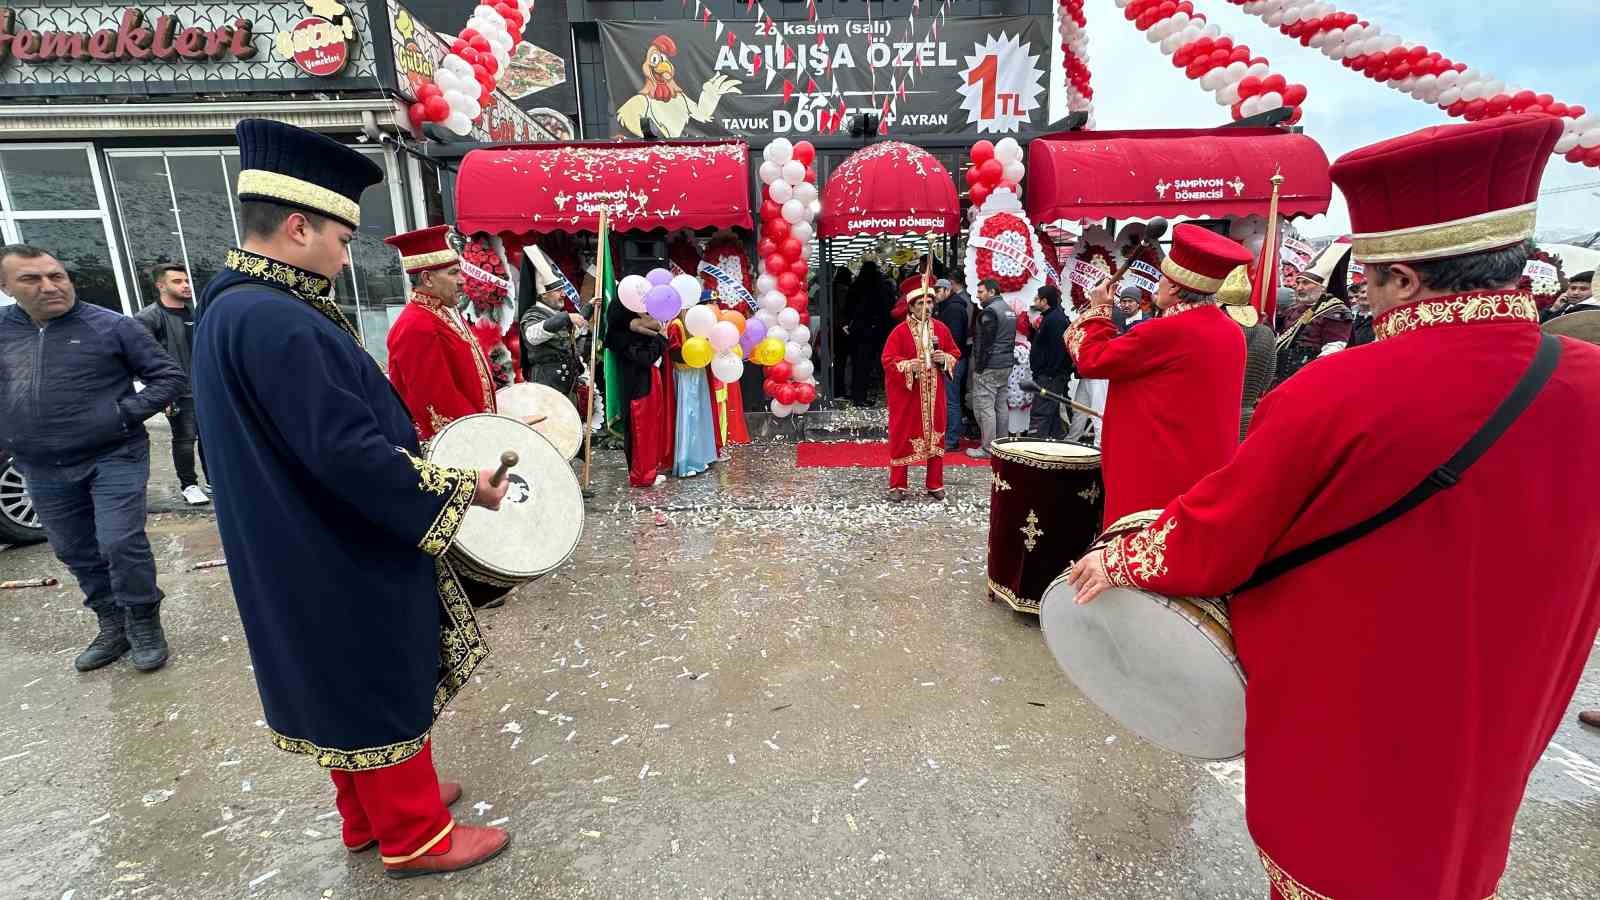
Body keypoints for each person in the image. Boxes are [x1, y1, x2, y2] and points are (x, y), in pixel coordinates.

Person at [1066, 114, 1600, 900]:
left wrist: (1117, 556)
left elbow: (1217, 540)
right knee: (1449, 858)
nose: (1367, 299)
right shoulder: (1587, 379)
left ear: (1407, 279)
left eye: (1371, 280)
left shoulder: (1340, 390)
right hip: (1502, 707)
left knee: (1342, 863)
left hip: (1364, 714)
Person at [192, 120, 512, 877]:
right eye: (340, 234)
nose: (347, 250)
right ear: (298, 225)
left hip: (292, 539)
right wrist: (463, 488)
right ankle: (414, 833)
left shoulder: (236, 306)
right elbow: (348, 455)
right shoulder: (274, 318)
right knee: (372, 672)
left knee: (333, 675)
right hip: (331, 542)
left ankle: (367, 812)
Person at [0, 244, 186, 673]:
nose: (50, 286)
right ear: (7, 286)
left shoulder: (112, 327)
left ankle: (143, 621)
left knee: (120, 541)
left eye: (57, 275)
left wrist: (121, 414)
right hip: (41, 465)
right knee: (73, 549)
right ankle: (111, 623)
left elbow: (169, 377)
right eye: (32, 279)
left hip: (112, 455)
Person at [1065, 224, 1250, 527]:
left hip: (1155, 472)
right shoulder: (1232, 332)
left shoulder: (1165, 331)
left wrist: (1099, 309)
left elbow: (1091, 359)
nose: (1157, 285)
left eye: (1162, 278)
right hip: (1205, 472)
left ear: (1175, 287)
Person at [383, 225, 498, 442]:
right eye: (454, 272)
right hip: (460, 445)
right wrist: (483, 437)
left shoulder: (443, 310)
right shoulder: (416, 325)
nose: (463, 280)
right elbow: (439, 402)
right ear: (427, 279)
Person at [134, 264, 209, 506]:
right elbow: (140, 358)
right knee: (185, 438)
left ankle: (213, 479)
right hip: (177, 392)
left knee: (209, 437)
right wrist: (161, 393)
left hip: (203, 388)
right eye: (178, 281)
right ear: (160, 285)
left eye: (186, 280)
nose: (186, 285)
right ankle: (189, 485)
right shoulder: (149, 318)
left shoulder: (194, 313)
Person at [880, 282, 960, 501]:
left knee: (936, 435)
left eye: (930, 302)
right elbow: (888, 360)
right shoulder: (899, 332)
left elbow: (955, 352)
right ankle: (898, 484)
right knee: (903, 435)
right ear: (911, 306)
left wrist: (944, 359)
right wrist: (907, 366)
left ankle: (934, 483)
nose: (927, 307)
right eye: (921, 303)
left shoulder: (941, 329)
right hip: (908, 395)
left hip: (934, 394)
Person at [607, 300, 671, 488]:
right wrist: (661, 338)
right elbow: (645, 358)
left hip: (647, 384)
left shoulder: (633, 334)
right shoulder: (623, 337)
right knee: (641, 432)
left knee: (650, 430)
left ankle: (648, 472)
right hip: (638, 389)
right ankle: (642, 476)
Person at [518, 244, 589, 397]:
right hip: (547, 389)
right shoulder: (533, 315)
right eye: (557, 291)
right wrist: (566, 317)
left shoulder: (558, 315)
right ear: (543, 295)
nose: (563, 294)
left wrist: (589, 308)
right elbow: (533, 336)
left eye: (563, 290)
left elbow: (574, 334)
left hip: (567, 388)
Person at [1217, 265, 1278, 440]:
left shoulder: (1217, 332)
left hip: (1215, 417)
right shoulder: (1266, 333)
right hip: (1247, 415)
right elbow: (1267, 378)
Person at [1274, 256, 1354, 385]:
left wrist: (1314, 376)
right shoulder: (1293, 309)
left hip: (1310, 376)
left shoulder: (1335, 310)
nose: (1299, 287)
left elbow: (1333, 349)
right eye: (1298, 283)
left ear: (1322, 287)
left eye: (1305, 283)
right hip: (1281, 376)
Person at [966, 279, 1017, 458]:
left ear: (992, 292)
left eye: (981, 292)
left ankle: (988, 448)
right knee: (1001, 405)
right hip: (1006, 364)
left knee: (985, 406)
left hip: (990, 365)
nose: (978, 295)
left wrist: (978, 368)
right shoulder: (1009, 310)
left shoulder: (989, 313)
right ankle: (1001, 445)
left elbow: (983, 343)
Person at [665, 303, 718, 478]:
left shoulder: (698, 322)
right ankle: (687, 460)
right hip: (686, 375)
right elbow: (673, 352)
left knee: (701, 414)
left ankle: (703, 454)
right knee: (689, 416)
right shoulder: (676, 325)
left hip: (699, 373)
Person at [845, 260, 893, 406]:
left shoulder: (856, 286)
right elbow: (887, 306)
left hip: (858, 330)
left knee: (859, 364)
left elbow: (847, 307)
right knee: (876, 363)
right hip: (876, 330)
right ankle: (874, 395)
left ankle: (858, 396)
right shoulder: (880, 287)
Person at [1028, 285, 1071, 439]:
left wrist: (1049, 373)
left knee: (1041, 413)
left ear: (1044, 301)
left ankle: (1035, 453)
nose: (1034, 302)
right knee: (1050, 413)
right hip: (1047, 374)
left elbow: (1058, 350)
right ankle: (1056, 442)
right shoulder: (1049, 317)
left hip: (1050, 376)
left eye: (1036, 299)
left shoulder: (1055, 319)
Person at [934, 277, 971, 451]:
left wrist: (946, 356)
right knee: (950, 398)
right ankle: (950, 435)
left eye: (938, 291)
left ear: (947, 290)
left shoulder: (954, 309)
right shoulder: (951, 307)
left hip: (953, 360)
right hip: (953, 358)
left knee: (951, 399)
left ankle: (952, 438)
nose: (935, 295)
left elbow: (954, 338)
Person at [1347, 277, 1375, 347]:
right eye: (1363, 292)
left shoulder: (1380, 318)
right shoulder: (1348, 315)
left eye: (1370, 292)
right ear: (1358, 295)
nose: (1365, 295)